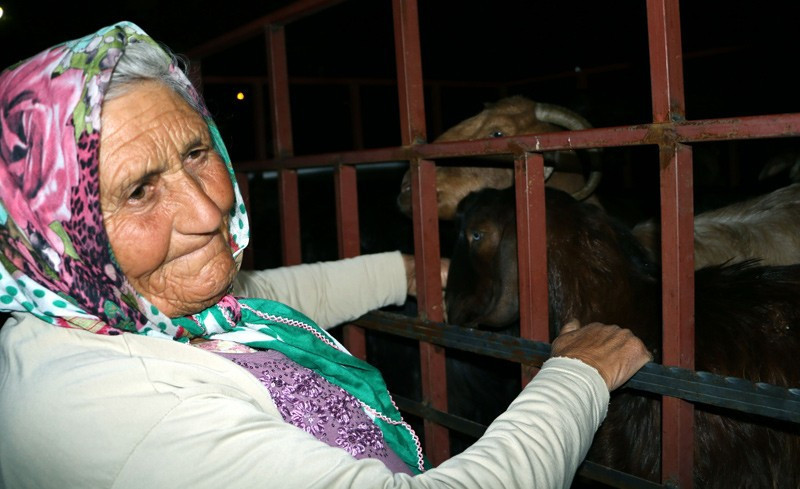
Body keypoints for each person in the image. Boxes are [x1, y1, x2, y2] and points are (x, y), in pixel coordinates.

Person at [0, 22, 651, 489]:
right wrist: (577, 377)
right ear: (52, 230)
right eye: (140, 189)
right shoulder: (132, 414)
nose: (208, 212)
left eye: (199, 152)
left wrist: (404, 270)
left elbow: (255, 300)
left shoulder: (92, 316)